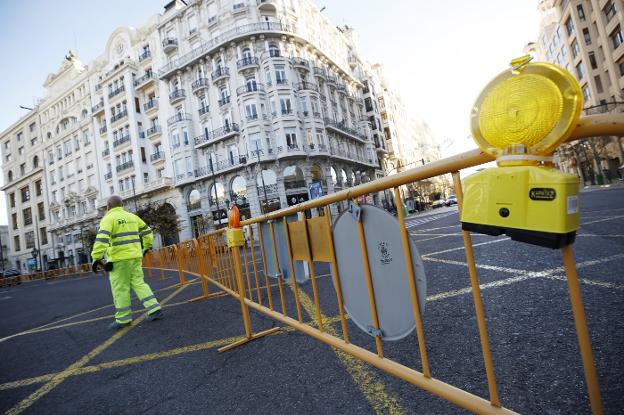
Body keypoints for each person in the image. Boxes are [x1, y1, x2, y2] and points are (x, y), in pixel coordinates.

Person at [91, 195, 163, 329]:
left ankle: (123, 319)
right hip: (135, 257)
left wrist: (96, 257)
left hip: (118, 260)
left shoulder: (108, 218)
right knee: (139, 283)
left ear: (108, 206)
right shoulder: (132, 217)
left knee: (120, 288)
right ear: (122, 204)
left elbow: (101, 239)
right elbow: (147, 231)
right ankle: (155, 309)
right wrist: (146, 247)